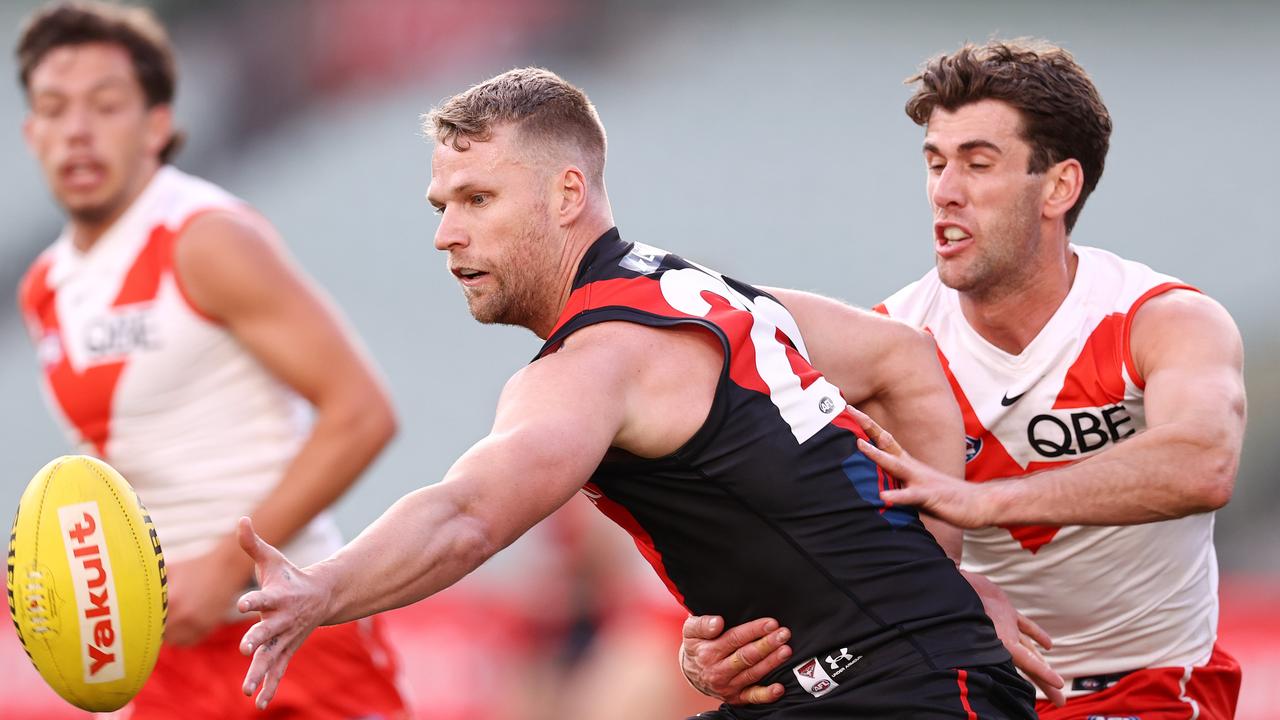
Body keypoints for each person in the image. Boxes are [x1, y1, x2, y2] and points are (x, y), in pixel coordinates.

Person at [232, 66, 1039, 719]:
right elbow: (903, 359)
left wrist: (323, 589)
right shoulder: (703, 294)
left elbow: (468, 514)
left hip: (902, 694)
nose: (447, 232)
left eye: (478, 199)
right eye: (444, 206)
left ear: (568, 195)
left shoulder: (599, 358)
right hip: (855, 683)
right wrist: (941, 571)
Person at [680, 39, 1246, 720]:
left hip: (1144, 689)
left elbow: (1203, 462)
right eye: (935, 163)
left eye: (978, 165)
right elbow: (782, 523)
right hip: (949, 686)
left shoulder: (1159, 320)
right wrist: (717, 636)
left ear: (1060, 187)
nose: (945, 192)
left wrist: (983, 500)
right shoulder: (891, 343)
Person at [14, 3, 408, 718]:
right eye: (54, 108)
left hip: (291, 638)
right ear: (30, 132)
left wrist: (226, 568)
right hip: (163, 653)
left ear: (156, 124)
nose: (77, 129)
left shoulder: (204, 238)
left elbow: (363, 413)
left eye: (105, 105)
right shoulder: (45, 287)